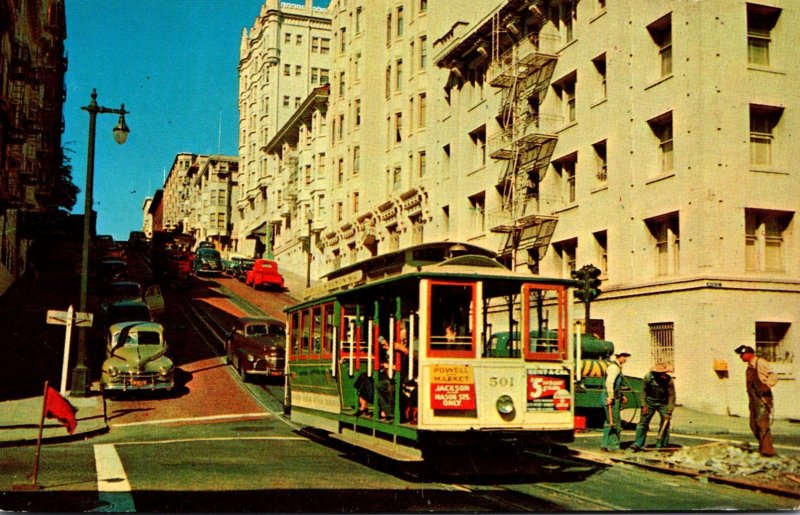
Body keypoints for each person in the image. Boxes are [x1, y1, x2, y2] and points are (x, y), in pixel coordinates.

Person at [735, 345, 778, 457]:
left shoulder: (760, 363)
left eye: (742, 354)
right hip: (753, 400)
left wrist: (767, 386)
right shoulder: (750, 366)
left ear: (749, 353)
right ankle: (763, 446)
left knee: (762, 424)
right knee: (753, 424)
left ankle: (768, 451)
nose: (741, 357)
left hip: (762, 399)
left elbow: (773, 375)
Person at [631, 363, 676, 451]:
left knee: (665, 422)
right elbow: (643, 392)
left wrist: (669, 411)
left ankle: (661, 445)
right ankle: (638, 443)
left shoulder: (669, 380)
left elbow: (672, 396)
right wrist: (643, 405)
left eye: (664, 372)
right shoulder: (648, 377)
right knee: (643, 423)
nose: (663, 374)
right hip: (649, 402)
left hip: (663, 403)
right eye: (660, 373)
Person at [600, 351, 630, 452]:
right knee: (615, 422)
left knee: (609, 421)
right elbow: (609, 382)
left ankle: (604, 445)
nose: (625, 359)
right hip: (610, 398)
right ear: (618, 357)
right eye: (624, 356)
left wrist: (621, 396)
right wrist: (611, 397)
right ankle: (613, 446)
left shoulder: (617, 367)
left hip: (612, 396)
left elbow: (616, 385)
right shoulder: (614, 368)